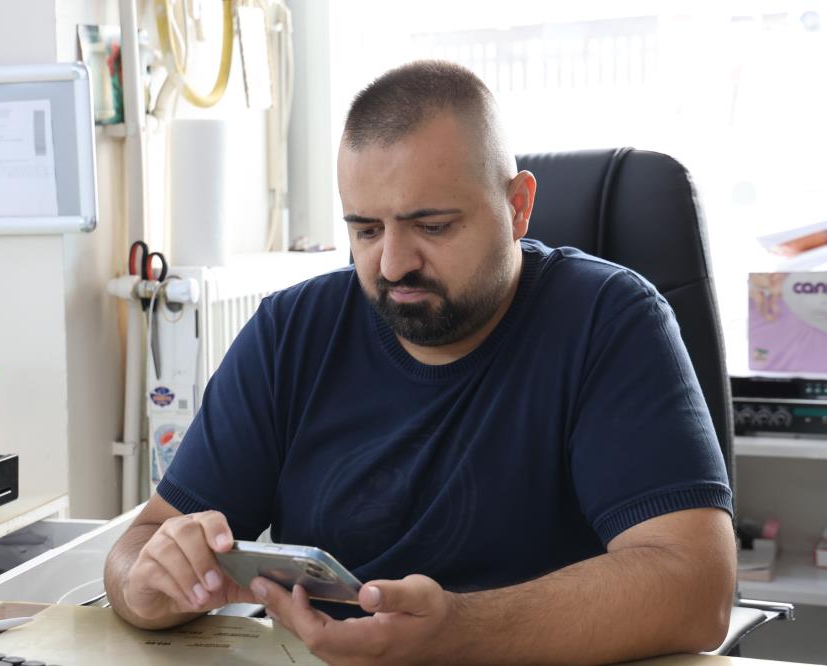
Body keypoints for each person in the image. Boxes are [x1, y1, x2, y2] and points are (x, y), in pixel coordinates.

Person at [105, 60, 736, 665]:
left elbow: (697, 588)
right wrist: (147, 585)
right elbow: (144, 540)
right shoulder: (289, 332)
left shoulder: (610, 320)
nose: (392, 264)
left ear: (517, 207)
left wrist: (459, 635)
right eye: (366, 230)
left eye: (431, 227)